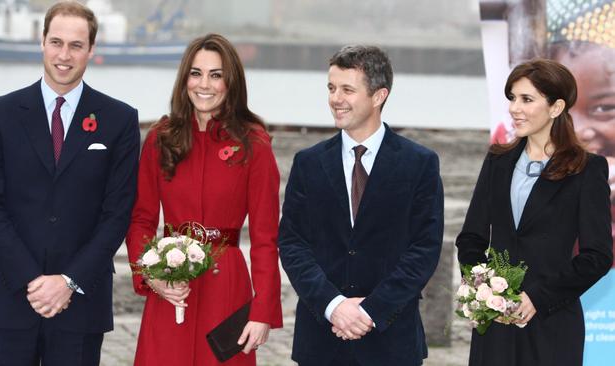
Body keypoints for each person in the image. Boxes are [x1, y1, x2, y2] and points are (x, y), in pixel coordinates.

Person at [0, 1, 140, 365]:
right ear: (42, 42)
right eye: (56, 42)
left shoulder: (120, 120)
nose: (65, 55)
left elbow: (117, 212)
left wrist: (68, 282)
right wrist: (33, 281)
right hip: (10, 297)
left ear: (91, 50)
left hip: (81, 303)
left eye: (76, 45)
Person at [278, 45, 444, 366]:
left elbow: (424, 249)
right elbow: (293, 244)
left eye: (347, 89)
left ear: (378, 96)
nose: (335, 98)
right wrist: (333, 306)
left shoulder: (419, 163)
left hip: (391, 341)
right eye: (331, 88)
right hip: (320, 340)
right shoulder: (307, 163)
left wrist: (371, 311)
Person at [125, 33, 283, 366]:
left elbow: (265, 237)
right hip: (169, 282)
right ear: (184, 80)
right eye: (196, 73)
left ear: (231, 82)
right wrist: (150, 276)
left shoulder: (254, 144)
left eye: (216, 75)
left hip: (226, 287)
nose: (204, 84)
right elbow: (141, 218)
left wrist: (263, 310)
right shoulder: (160, 139)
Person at [456, 59, 613, 366]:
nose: (515, 108)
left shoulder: (586, 169)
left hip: (551, 324)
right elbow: (471, 238)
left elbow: (597, 256)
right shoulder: (497, 161)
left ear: (556, 107)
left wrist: (537, 298)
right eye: (512, 98)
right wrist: (484, 290)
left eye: (527, 99)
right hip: (496, 325)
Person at [492, 0, 615, 258]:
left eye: (604, 109)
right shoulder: (509, 150)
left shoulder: (594, 170)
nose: (581, 130)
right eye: (567, 110)